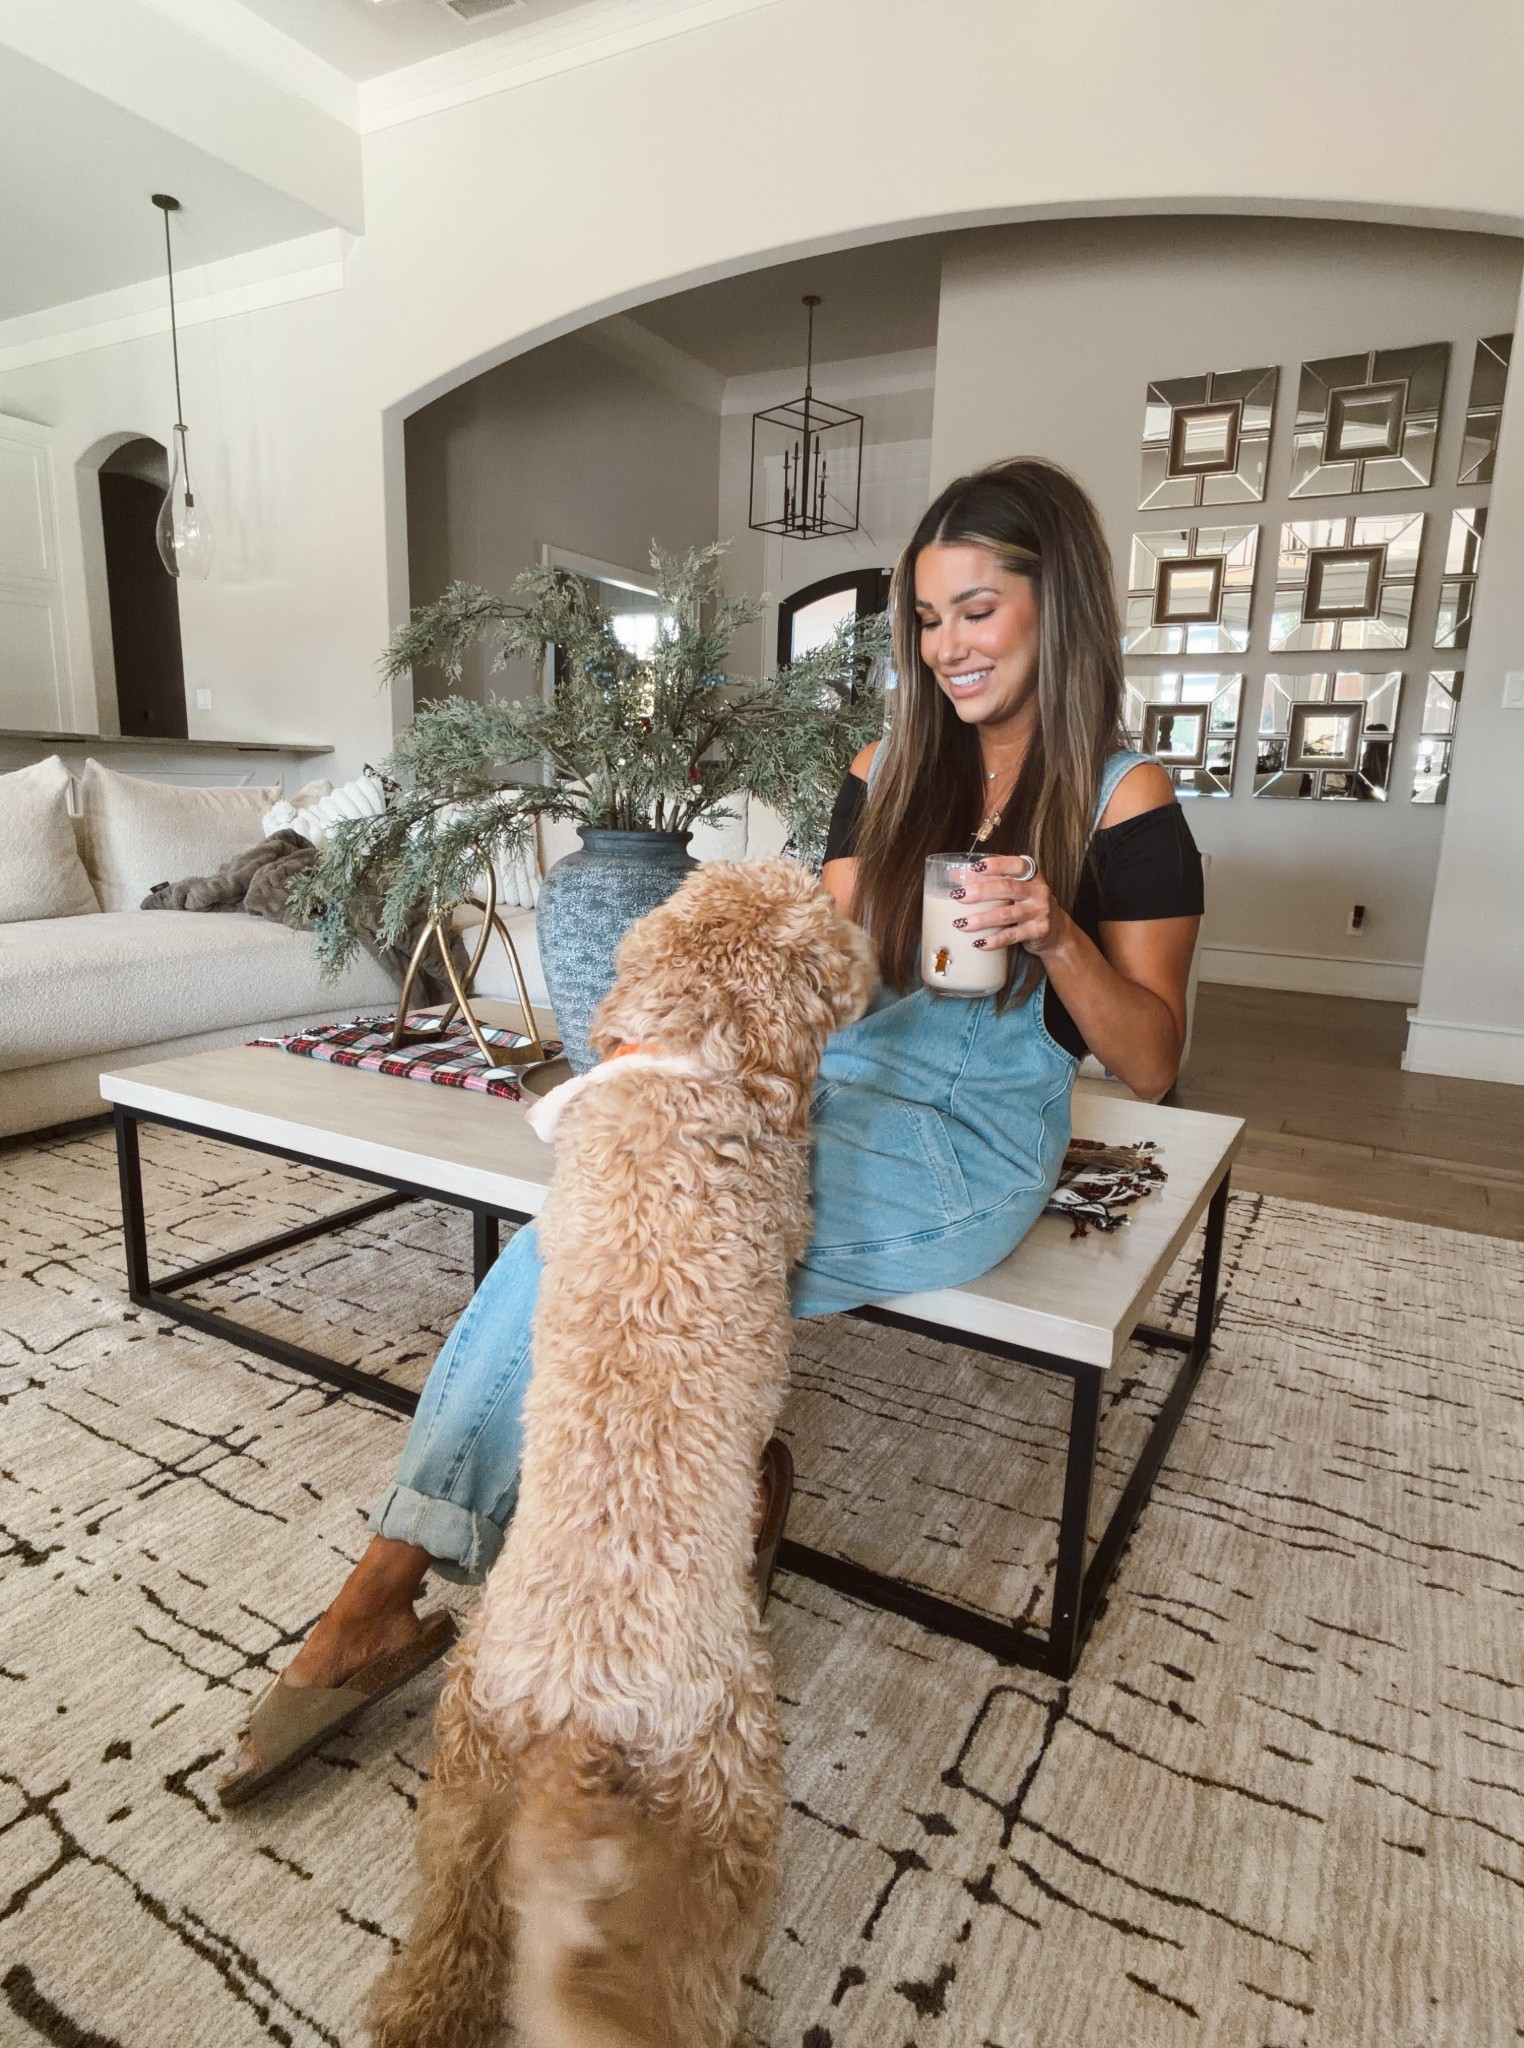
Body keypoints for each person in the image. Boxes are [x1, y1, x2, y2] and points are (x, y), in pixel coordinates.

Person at [215, 456, 1203, 1804]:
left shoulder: (1126, 800)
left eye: (978, 610)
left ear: (1058, 606)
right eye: (926, 618)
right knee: (596, 1219)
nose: (947, 646)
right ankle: (413, 1577)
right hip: (829, 1084)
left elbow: (1151, 1062)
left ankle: (418, 1584)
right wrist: (687, 1037)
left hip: (966, 1141)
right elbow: (815, 958)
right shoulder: (889, 764)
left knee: (641, 1254)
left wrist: (1060, 934)